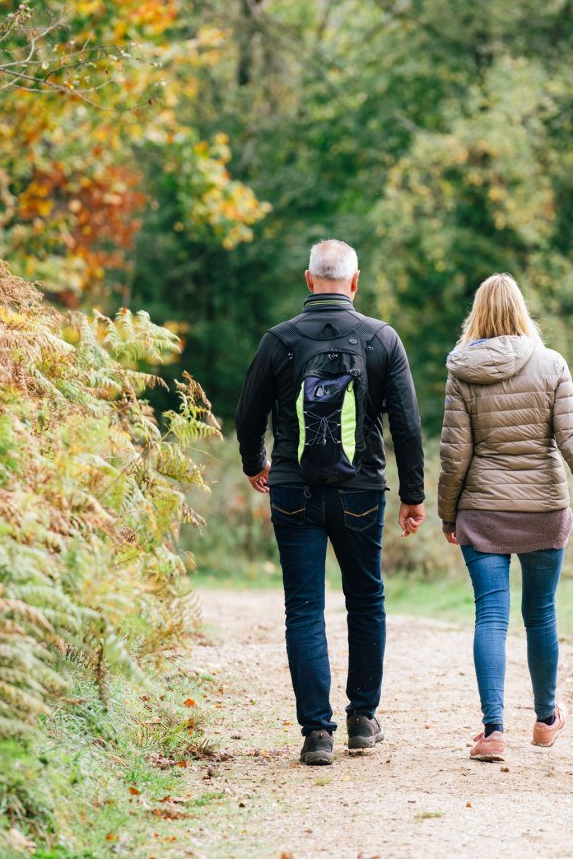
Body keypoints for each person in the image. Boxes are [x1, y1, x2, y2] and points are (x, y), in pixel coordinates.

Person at [235, 240, 427, 766]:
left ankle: (317, 733)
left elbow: (247, 415)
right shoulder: (382, 339)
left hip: (293, 489)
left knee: (304, 607)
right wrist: (413, 495)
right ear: (355, 282)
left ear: (308, 279)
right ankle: (362, 721)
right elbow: (407, 426)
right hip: (362, 491)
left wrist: (256, 464)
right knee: (365, 599)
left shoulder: (279, 341)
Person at [437, 273, 573, 763]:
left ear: (478, 313)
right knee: (541, 615)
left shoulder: (462, 370)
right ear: (521, 310)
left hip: (483, 510)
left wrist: (447, 514)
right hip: (542, 510)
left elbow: (455, 455)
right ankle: (545, 719)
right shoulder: (551, 364)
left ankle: (493, 732)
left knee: (491, 616)